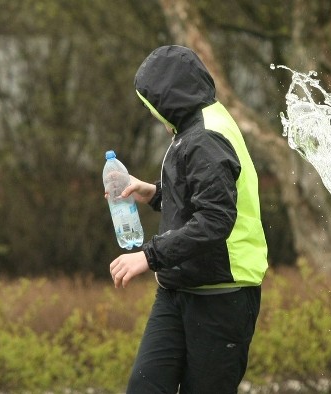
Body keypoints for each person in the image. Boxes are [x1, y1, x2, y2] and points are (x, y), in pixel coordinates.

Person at [107, 45, 268, 393]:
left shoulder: (206, 137)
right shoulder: (194, 125)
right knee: (145, 387)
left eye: (151, 106)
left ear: (165, 100)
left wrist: (148, 256)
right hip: (177, 290)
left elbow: (214, 219)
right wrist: (151, 191)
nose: (152, 114)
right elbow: (199, 194)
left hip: (222, 294)